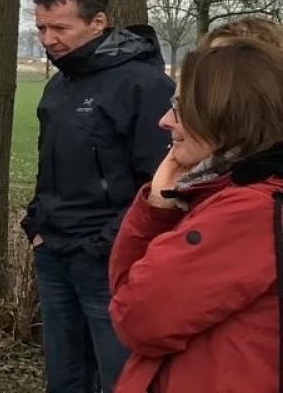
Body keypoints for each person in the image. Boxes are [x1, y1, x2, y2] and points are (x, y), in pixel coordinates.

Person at [107, 40, 283, 393]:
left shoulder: (246, 212)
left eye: (181, 107)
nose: (165, 120)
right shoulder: (224, 194)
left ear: (226, 114)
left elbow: (136, 317)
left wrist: (155, 213)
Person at [23, 0, 173, 393]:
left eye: (60, 28)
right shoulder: (59, 84)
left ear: (98, 22)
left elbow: (163, 180)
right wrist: (36, 224)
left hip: (108, 260)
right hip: (53, 252)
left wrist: (106, 243)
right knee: (64, 376)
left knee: (120, 376)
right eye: (41, 28)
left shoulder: (144, 85)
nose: (48, 40)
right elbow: (48, 165)